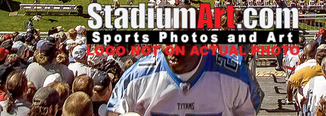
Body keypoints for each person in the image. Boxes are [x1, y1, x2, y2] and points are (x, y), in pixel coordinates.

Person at [109, 45, 261, 116]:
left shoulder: (235, 75)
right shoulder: (138, 75)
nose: (174, 49)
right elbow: (113, 110)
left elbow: (248, 109)